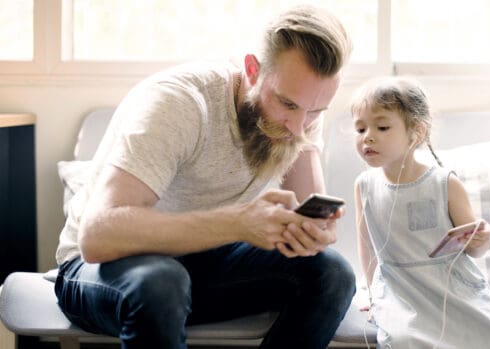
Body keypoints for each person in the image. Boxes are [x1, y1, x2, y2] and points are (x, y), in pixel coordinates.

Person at [53, 5, 356, 349]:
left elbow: (309, 212)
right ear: (253, 71)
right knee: (163, 281)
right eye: (287, 105)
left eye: (316, 111)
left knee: (332, 274)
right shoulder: (179, 103)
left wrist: (314, 231)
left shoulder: (300, 113)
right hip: (103, 271)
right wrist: (238, 223)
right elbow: (97, 236)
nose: (299, 126)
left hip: (202, 266)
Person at [350, 77, 490, 348]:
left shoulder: (444, 183)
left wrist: (480, 240)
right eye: (360, 128)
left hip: (451, 286)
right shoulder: (364, 185)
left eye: (382, 126)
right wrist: (369, 290)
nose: (368, 137)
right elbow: (367, 246)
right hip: (400, 289)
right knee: (403, 339)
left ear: (416, 132)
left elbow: (473, 248)